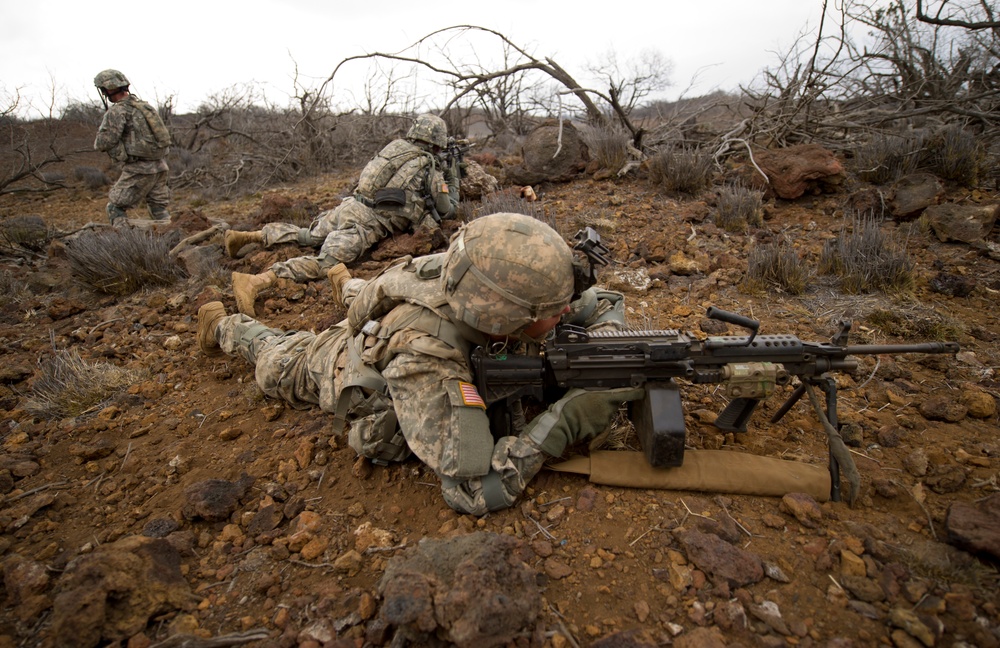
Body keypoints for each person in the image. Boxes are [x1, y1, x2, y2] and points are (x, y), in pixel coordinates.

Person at [197, 212, 638, 516]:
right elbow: (470, 489)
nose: (567, 310)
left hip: (396, 303)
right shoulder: (425, 356)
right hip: (342, 361)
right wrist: (567, 419)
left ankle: (347, 285)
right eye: (554, 309)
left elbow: (603, 303)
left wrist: (597, 352)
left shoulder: (489, 277)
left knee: (369, 293)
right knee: (277, 361)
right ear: (501, 319)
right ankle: (222, 325)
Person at [226, 113, 461, 317]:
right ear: (437, 143)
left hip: (350, 206)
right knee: (324, 264)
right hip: (367, 222)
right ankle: (256, 282)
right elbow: (447, 209)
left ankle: (248, 236)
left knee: (308, 236)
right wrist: (452, 177)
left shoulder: (396, 148)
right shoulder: (428, 166)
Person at [92, 69, 172, 227]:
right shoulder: (144, 107)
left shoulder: (118, 111)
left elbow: (103, 143)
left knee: (115, 207)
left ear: (106, 90)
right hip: (160, 167)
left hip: (139, 169)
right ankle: (171, 238)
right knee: (158, 208)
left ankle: (123, 243)